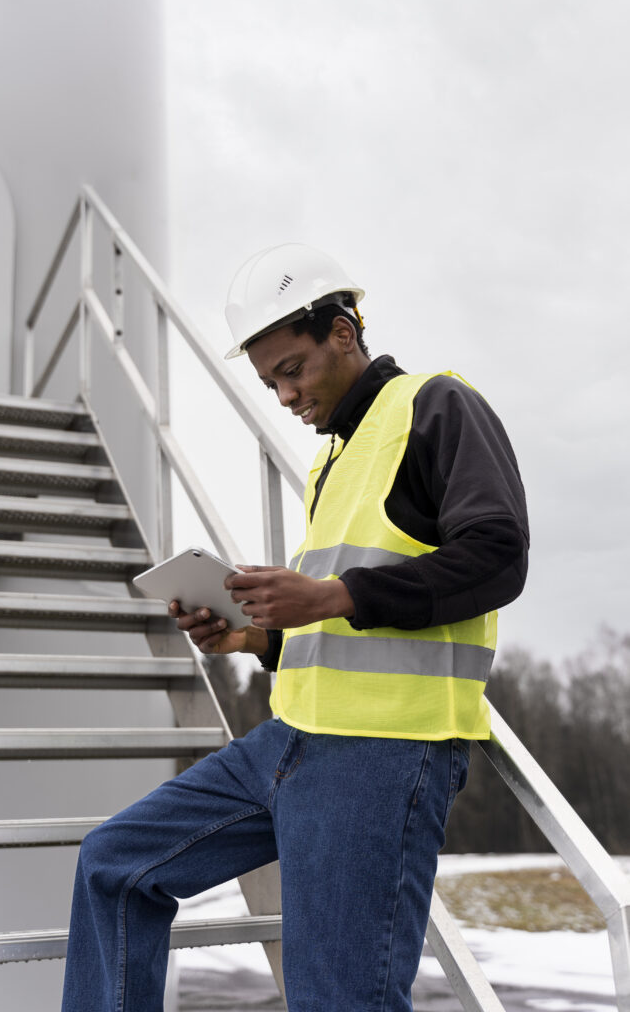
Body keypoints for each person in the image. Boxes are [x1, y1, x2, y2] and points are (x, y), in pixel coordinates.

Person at [61, 243, 529, 1012]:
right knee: (115, 865)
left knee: (337, 998)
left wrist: (331, 596)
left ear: (342, 330)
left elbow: (497, 558)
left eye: (291, 370)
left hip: (381, 757)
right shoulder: (331, 460)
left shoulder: (435, 406)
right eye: (269, 381)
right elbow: (342, 615)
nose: (283, 395)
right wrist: (252, 636)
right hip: (287, 740)